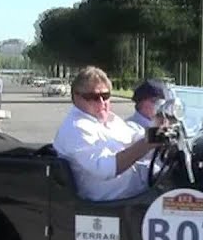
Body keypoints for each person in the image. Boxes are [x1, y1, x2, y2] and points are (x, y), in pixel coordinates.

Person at [52, 66, 162, 202]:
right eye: (93, 97)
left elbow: (134, 138)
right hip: (115, 203)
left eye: (105, 96)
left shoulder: (109, 119)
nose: (101, 102)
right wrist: (151, 140)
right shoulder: (76, 128)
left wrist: (161, 130)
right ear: (76, 97)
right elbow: (107, 168)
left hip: (141, 189)